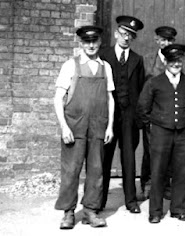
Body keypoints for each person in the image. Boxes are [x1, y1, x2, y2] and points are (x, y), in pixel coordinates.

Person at [54, 25, 114, 229]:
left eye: (94, 41)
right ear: (81, 43)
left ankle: (90, 210)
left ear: (99, 42)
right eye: (86, 41)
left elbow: (110, 98)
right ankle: (68, 212)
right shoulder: (70, 66)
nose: (91, 45)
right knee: (71, 170)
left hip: (98, 126)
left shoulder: (106, 67)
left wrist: (110, 127)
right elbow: (57, 98)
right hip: (75, 126)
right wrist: (64, 127)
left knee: (96, 170)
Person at [137, 44, 185, 224]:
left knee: (183, 171)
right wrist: (153, 126)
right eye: (172, 61)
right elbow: (143, 108)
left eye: (179, 60)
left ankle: (179, 209)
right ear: (165, 61)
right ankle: (155, 211)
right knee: (158, 171)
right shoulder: (154, 82)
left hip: (184, 133)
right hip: (161, 133)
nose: (176, 64)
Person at [99, 15, 145, 214]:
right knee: (104, 157)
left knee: (128, 158)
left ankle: (131, 201)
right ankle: (99, 201)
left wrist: (138, 117)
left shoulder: (137, 59)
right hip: (108, 115)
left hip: (128, 116)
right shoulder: (103, 55)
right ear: (117, 33)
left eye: (131, 36)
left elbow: (141, 89)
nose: (126, 38)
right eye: (124, 33)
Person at [141, 26, 185, 200]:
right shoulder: (147, 60)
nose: (166, 43)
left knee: (168, 150)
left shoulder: (180, 61)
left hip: (170, 115)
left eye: (169, 40)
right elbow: (142, 89)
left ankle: (165, 185)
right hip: (153, 114)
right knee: (150, 150)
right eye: (163, 39)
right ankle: (147, 184)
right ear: (156, 40)